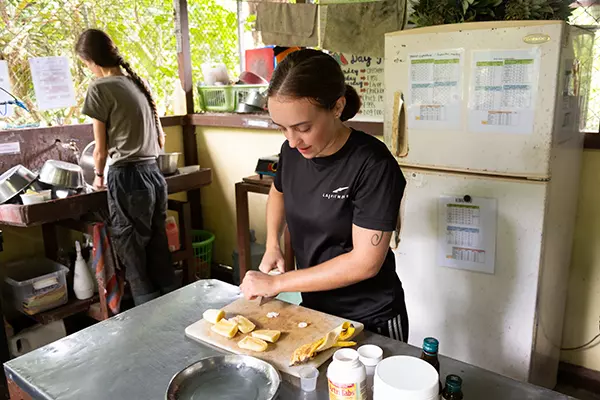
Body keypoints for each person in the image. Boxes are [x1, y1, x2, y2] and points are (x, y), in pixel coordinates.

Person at [240, 49, 409, 341]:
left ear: (337, 107)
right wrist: (272, 244)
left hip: (371, 319)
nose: (292, 141)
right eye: (282, 129)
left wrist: (276, 283)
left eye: (303, 128)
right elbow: (278, 193)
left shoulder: (373, 164)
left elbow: (365, 262)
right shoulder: (291, 153)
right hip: (316, 309)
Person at [76, 29, 176, 305]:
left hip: (127, 177)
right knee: (157, 246)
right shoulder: (136, 83)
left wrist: (98, 177)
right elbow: (160, 137)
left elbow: (100, 149)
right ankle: (174, 310)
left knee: (132, 251)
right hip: (153, 175)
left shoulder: (100, 88)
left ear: (91, 60)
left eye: (86, 65)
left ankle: (147, 317)